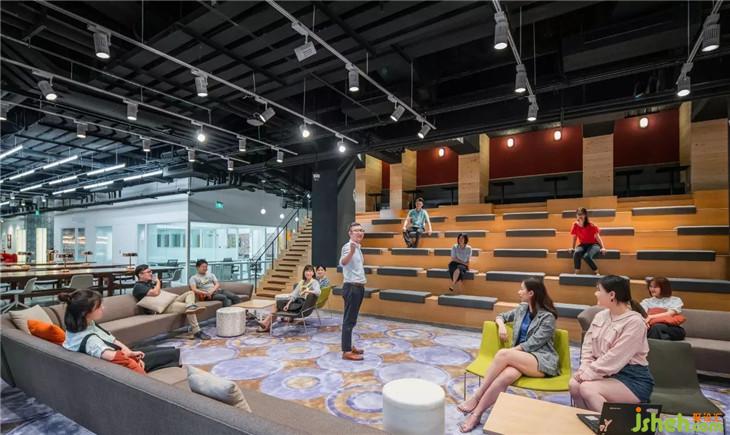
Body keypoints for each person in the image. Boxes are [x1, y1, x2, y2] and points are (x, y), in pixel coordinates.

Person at [456, 277, 560, 432]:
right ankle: (476, 415)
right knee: (506, 376)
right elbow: (501, 316)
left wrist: (510, 353)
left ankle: (476, 397)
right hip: (520, 359)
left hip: (541, 360)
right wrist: (502, 326)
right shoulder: (522, 309)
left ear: (531, 293)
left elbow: (533, 344)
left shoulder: (547, 317)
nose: (519, 292)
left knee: (504, 354)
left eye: (522, 289)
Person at [570, 275, 653, 412]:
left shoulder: (635, 322)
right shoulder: (600, 316)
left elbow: (616, 357)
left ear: (612, 295)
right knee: (574, 385)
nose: (596, 293)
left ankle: (610, 423)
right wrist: (584, 368)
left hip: (631, 378)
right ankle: (587, 420)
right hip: (603, 372)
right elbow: (588, 347)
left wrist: (589, 374)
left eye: (599, 290)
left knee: (587, 388)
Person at [61, 289, 180, 372]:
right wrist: (133, 361)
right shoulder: (91, 342)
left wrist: (129, 352)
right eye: (99, 307)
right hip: (122, 369)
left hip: (119, 352)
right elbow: (116, 359)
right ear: (85, 312)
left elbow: (111, 339)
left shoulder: (83, 325)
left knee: (164, 349)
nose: (103, 308)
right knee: (171, 354)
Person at [132, 264, 210, 340]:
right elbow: (155, 293)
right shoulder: (138, 286)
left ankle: (191, 305)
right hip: (161, 308)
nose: (151, 273)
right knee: (187, 308)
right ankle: (197, 331)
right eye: (148, 272)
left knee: (190, 293)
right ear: (140, 275)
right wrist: (158, 282)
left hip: (167, 302)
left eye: (151, 271)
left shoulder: (148, 283)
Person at [256, 265, 321, 332]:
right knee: (277, 304)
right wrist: (288, 304)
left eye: (310, 271)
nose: (308, 273)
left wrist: (307, 291)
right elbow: (294, 295)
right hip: (296, 302)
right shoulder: (301, 282)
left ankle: (265, 324)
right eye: (307, 271)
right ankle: (266, 325)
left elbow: (318, 292)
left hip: (302, 306)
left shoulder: (314, 282)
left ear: (313, 273)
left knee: (277, 306)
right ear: (304, 272)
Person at [340, 222, 366, 361]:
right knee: (349, 320)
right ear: (350, 233)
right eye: (356, 230)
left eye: (361, 230)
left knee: (352, 319)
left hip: (358, 287)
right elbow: (343, 262)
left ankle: (349, 345)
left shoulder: (358, 247)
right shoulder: (348, 247)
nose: (359, 232)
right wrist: (351, 251)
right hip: (352, 287)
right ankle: (346, 351)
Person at [570, 208, 607, 275]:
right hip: (583, 245)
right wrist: (572, 248)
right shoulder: (575, 225)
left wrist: (603, 247)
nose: (580, 216)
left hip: (594, 245)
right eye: (578, 214)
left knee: (586, 256)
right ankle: (576, 272)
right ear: (576, 215)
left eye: (582, 214)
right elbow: (574, 238)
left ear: (585, 215)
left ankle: (596, 271)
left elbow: (598, 237)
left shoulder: (591, 225)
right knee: (576, 253)